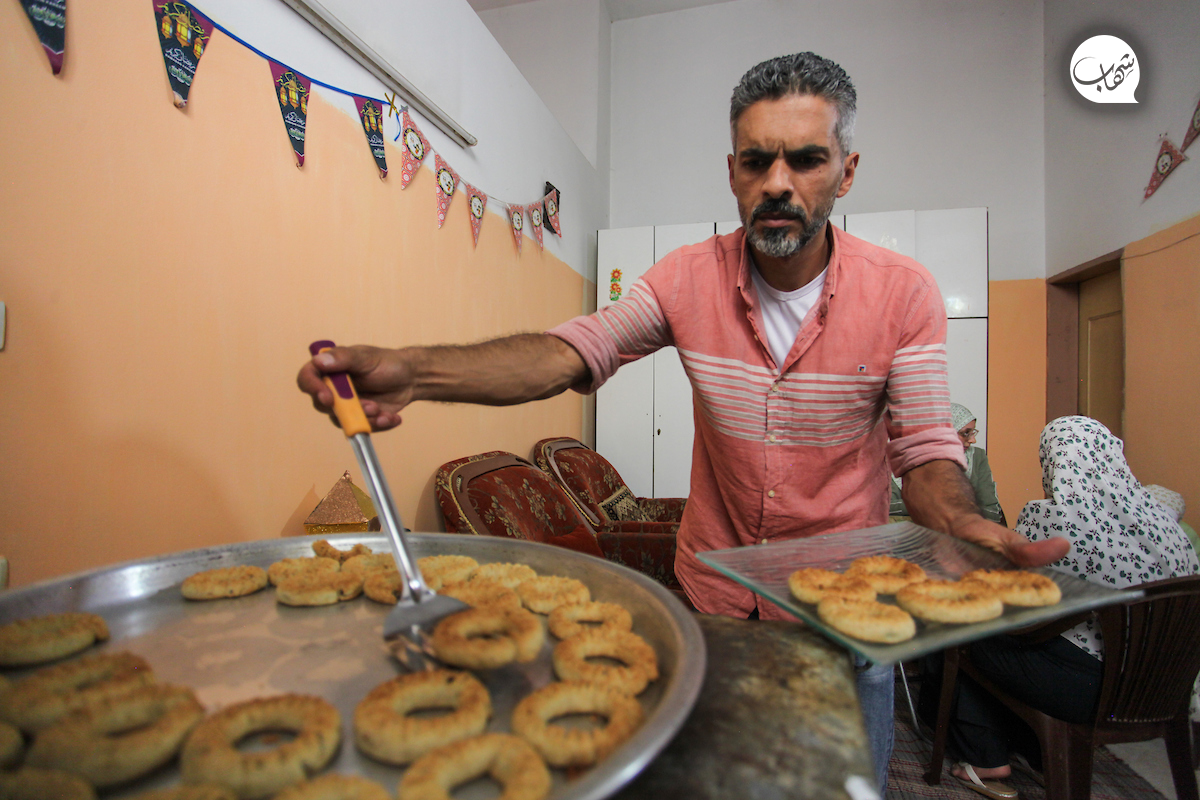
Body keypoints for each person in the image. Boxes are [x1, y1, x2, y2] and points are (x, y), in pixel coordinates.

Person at [298, 52, 1067, 793]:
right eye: (756, 161)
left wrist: (964, 524)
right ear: (732, 170)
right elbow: (570, 352)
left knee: (842, 790)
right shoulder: (685, 278)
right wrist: (416, 372)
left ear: (846, 171)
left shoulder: (904, 293)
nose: (777, 183)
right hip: (717, 606)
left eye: (806, 160)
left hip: (843, 617)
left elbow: (926, 453)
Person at [918, 416, 1197, 799]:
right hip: (1161, 686)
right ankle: (1035, 752)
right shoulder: (1168, 526)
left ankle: (986, 756)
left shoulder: (1051, 518)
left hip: (1090, 691)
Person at [890, 403, 1005, 524]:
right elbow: (886, 507)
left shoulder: (977, 457)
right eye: (965, 433)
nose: (973, 440)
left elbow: (993, 513)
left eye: (973, 433)